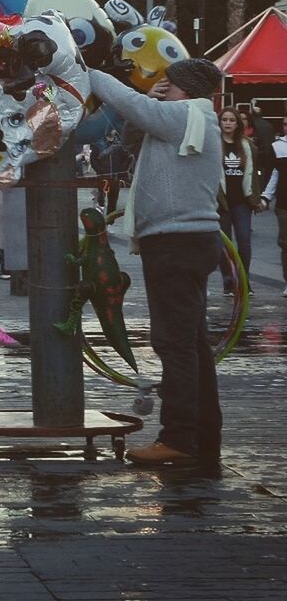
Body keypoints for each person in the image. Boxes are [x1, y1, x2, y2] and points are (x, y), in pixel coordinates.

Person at [89, 58, 224, 466]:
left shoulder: (185, 116)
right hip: (186, 240)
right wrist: (149, 99)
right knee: (192, 343)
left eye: (168, 83)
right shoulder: (187, 119)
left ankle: (179, 439)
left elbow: (132, 106)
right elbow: (132, 139)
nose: (161, 88)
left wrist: (91, 72)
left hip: (175, 242)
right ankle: (202, 435)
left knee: (174, 343)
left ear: (185, 88)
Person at [217, 107, 262, 296]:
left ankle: (244, 281)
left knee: (244, 242)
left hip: (242, 201)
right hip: (221, 202)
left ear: (238, 123)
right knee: (224, 245)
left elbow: (253, 175)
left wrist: (256, 198)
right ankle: (228, 280)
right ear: (219, 123)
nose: (228, 123)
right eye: (224, 120)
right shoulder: (214, 144)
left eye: (231, 120)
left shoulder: (247, 146)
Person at [260, 114, 287, 297]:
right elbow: (274, 175)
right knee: (285, 245)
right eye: (285, 124)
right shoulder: (277, 147)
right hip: (284, 205)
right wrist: (265, 197)